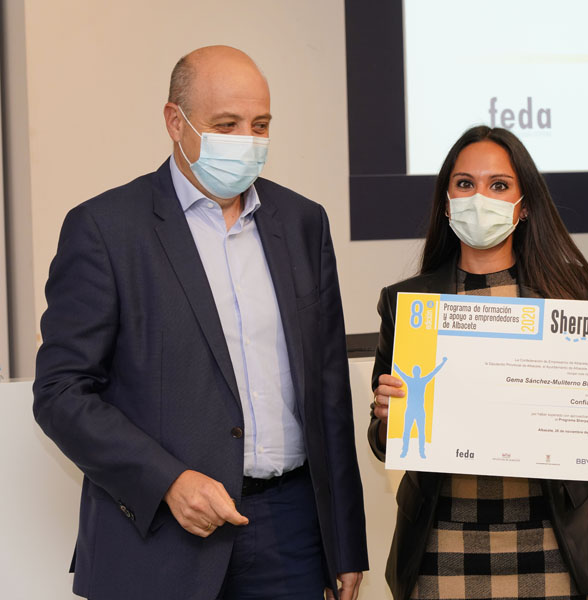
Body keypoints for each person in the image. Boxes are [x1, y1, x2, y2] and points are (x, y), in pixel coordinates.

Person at [33, 46, 367, 600]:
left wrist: (345, 543)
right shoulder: (105, 228)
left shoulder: (303, 222)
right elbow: (60, 392)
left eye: (260, 125)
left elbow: (329, 391)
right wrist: (167, 480)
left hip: (291, 531)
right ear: (175, 121)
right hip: (159, 538)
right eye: (227, 125)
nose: (247, 141)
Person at [368, 125, 588, 600]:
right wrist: (390, 416)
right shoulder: (409, 303)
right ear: (446, 201)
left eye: (499, 185)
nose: (479, 198)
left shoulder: (570, 294)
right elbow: (384, 444)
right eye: (464, 184)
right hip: (441, 544)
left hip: (551, 543)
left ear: (524, 205)